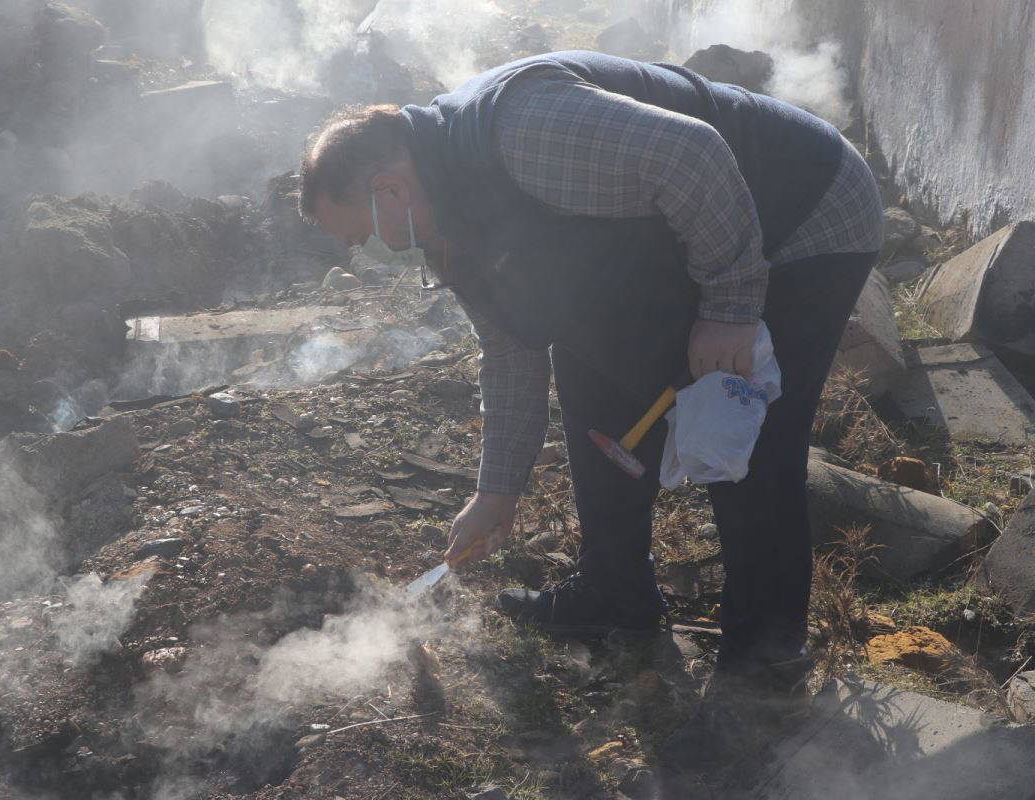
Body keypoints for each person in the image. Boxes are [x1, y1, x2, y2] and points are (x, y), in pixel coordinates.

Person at [297, 50, 882, 768]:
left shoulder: (523, 130)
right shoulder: (448, 205)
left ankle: (761, 687)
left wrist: (730, 308)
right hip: (698, 230)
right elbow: (513, 348)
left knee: (746, 435)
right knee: (586, 365)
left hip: (803, 214)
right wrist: (497, 489)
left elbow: (693, 154)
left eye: (364, 236)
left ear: (389, 189)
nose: (377, 253)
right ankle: (617, 592)